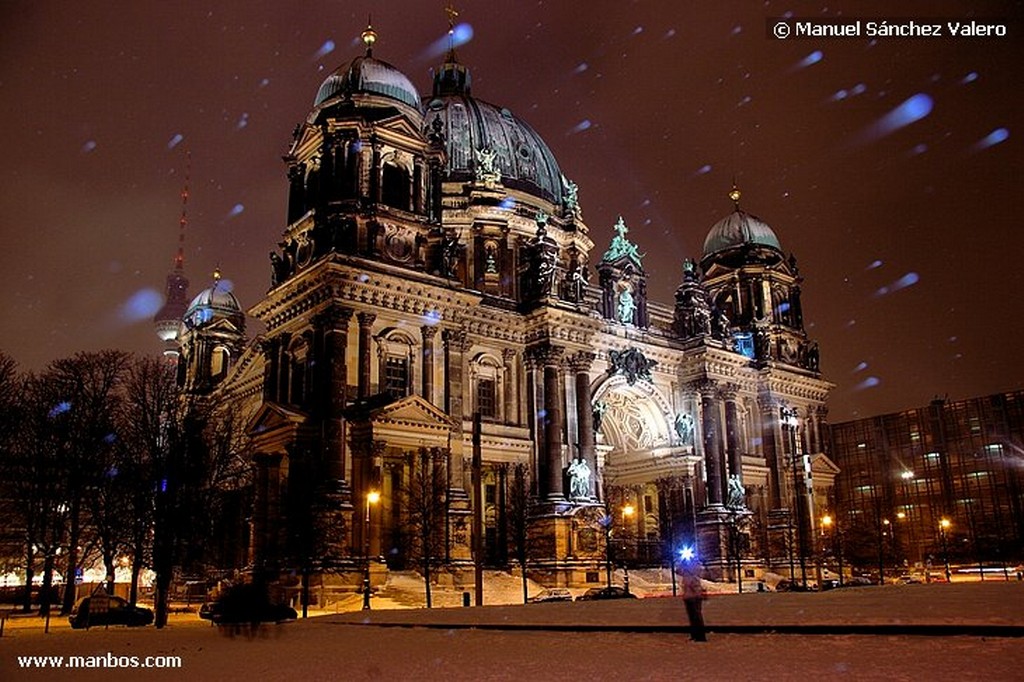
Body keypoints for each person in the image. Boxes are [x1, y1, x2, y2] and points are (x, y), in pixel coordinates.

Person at [681, 560, 707, 642]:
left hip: (693, 598)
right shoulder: (687, 575)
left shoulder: (692, 575)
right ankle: (695, 635)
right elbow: (678, 570)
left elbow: (695, 587)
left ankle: (699, 636)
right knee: (693, 618)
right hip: (689, 597)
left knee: (696, 618)